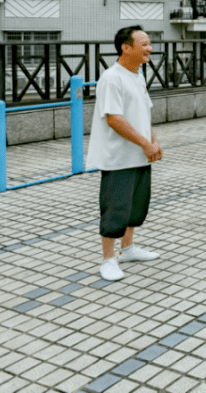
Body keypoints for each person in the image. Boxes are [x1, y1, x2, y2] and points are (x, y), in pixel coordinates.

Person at [88, 26, 162, 282]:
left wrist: (153, 140)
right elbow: (114, 119)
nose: (149, 49)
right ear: (126, 48)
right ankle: (108, 260)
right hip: (118, 158)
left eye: (149, 43)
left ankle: (127, 249)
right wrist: (144, 142)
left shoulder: (138, 75)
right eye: (144, 44)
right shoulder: (112, 78)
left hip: (140, 153)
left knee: (136, 206)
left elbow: (145, 112)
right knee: (115, 209)